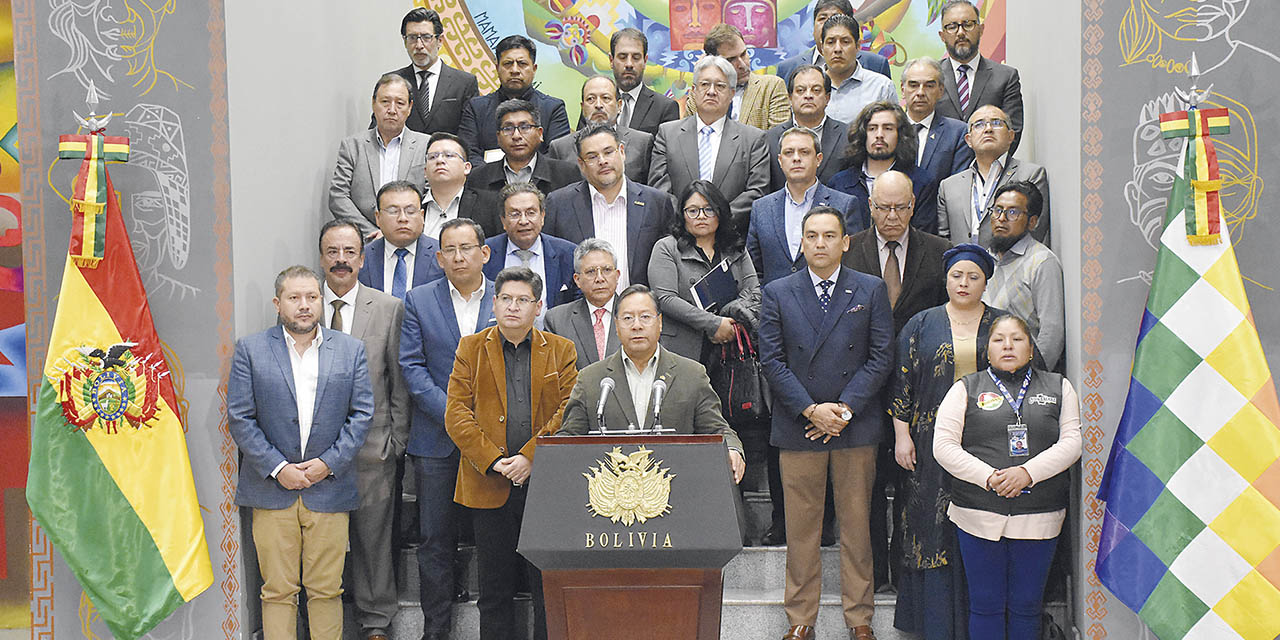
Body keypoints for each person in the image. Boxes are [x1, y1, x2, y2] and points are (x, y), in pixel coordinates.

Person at [759, 207, 894, 640]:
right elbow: (772, 361)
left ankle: (860, 619)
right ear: (801, 241)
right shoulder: (778, 291)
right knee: (802, 531)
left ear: (845, 242)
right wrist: (811, 410)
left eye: (829, 235)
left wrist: (844, 409)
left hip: (854, 426)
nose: (820, 243)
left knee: (857, 528)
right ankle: (800, 619)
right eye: (812, 235)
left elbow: (880, 357)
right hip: (800, 426)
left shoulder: (870, 289)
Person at [227, 265, 373, 640]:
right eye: (294, 298)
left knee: (327, 590)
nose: (304, 306)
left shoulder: (351, 350)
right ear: (278, 304)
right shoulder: (251, 349)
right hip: (272, 490)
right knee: (277, 591)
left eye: (312, 297)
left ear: (322, 302)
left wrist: (327, 464)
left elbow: (362, 415)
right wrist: (278, 468)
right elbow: (241, 418)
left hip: (329, 489)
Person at [444, 267, 578, 640]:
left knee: (546, 591)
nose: (513, 307)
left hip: (544, 486)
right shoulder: (470, 348)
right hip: (488, 483)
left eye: (523, 300)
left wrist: (530, 456)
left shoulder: (562, 350)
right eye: (506, 299)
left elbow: (569, 411)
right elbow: (456, 414)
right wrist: (493, 460)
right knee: (494, 591)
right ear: (494, 303)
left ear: (538, 307)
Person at [934, 314, 1081, 640]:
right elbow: (943, 446)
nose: (1008, 345)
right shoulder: (965, 389)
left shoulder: (1059, 387)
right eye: (999, 339)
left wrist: (1027, 473)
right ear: (987, 350)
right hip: (977, 513)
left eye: (1017, 339)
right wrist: (990, 477)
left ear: (1031, 349)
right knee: (985, 605)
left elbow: (1072, 443)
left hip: (1040, 514)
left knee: (1027, 605)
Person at [842, 171, 951, 591]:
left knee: (913, 484)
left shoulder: (938, 252)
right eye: (883, 207)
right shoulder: (849, 251)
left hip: (921, 391)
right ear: (869, 206)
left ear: (913, 205)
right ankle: (873, 575)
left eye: (900, 207)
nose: (892, 216)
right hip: (861, 388)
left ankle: (908, 574)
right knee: (865, 489)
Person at [888, 243, 1003, 640]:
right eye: (957, 276)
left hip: (988, 444)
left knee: (981, 522)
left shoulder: (1002, 326)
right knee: (928, 525)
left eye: (973, 277)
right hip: (928, 440)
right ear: (946, 279)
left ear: (986, 282)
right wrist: (902, 435)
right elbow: (901, 380)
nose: (964, 283)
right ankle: (932, 622)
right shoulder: (922, 323)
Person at [399, 218, 497, 640]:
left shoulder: (506, 296)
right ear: (438, 258)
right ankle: (435, 630)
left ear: (484, 252)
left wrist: (479, 426)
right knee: (434, 539)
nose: (458, 257)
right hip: (436, 440)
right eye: (450, 250)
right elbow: (412, 366)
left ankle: (497, 626)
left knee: (494, 538)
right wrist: (455, 417)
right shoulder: (418, 300)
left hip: (494, 440)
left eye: (466, 248)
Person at [316, 221, 408, 640]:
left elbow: (398, 380)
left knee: (373, 542)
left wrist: (396, 441)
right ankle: (321, 622)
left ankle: (375, 623)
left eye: (350, 251)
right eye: (333, 251)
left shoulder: (387, 307)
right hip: (314, 453)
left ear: (363, 257)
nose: (341, 259)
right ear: (322, 256)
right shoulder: (304, 304)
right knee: (322, 544)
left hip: (374, 448)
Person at [558, 284, 747, 477]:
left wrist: (732, 449)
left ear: (660, 322)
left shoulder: (691, 374)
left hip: (677, 489)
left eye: (645, 317)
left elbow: (718, 429)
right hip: (611, 496)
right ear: (616, 325)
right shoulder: (592, 379)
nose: (637, 325)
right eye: (628, 318)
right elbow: (568, 438)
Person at [650, 55, 770, 236]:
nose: (711, 91)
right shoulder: (667, 134)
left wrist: (716, 218)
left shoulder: (753, 139)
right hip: (679, 240)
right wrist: (689, 219)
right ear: (693, 91)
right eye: (705, 85)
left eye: (720, 86)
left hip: (730, 241)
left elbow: (757, 192)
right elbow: (659, 188)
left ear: (731, 93)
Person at [544, 123, 673, 287]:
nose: (602, 161)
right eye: (592, 157)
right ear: (581, 165)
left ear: (622, 152)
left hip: (640, 308)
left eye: (608, 152)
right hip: (580, 308)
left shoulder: (656, 202)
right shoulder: (559, 203)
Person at [648, 180, 761, 364]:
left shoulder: (735, 247)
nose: (701, 216)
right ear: (682, 215)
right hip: (683, 349)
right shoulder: (667, 248)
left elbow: (754, 292)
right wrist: (714, 324)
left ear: (720, 212)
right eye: (692, 211)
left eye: (708, 209)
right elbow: (666, 298)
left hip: (732, 347)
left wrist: (730, 323)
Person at [329, 74, 430, 240]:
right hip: (365, 240)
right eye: (385, 102)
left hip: (412, 238)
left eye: (400, 103)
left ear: (410, 107)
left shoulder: (426, 145)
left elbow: (431, 195)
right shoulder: (353, 146)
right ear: (373, 104)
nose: (391, 110)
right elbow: (338, 196)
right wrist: (370, 232)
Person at [937, 105, 1050, 248]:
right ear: (968, 140)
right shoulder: (948, 186)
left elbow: (1035, 231)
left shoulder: (1031, 175)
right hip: (965, 267)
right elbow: (944, 240)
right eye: (979, 125)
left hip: (1013, 267)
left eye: (997, 123)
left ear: (1011, 136)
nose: (988, 129)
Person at [982, 182, 1066, 370]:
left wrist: (1034, 380)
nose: (1001, 219)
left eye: (1013, 213)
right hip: (987, 377)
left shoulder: (1041, 262)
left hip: (1024, 377)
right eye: (997, 210)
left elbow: (1051, 333)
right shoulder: (986, 259)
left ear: (1032, 222)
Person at [458, 35, 571, 164]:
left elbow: (556, 157)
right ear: (497, 68)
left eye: (522, 64)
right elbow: (468, 152)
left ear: (534, 69)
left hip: (539, 182)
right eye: (508, 64)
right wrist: (495, 178)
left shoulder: (553, 109)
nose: (515, 70)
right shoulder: (476, 108)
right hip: (487, 182)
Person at [830, 101, 940, 233]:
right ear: (863, 134)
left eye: (888, 128)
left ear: (900, 135)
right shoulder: (840, 183)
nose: (879, 135)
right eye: (872, 128)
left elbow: (923, 238)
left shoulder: (921, 182)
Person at [933, 0, 1025, 154]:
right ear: (942, 35)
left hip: (990, 171)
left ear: (981, 29)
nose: (961, 32)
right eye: (952, 27)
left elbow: (1012, 133)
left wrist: (985, 168)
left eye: (968, 24)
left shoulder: (1006, 77)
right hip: (940, 174)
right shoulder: (931, 77)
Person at [482, 183, 580, 326]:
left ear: (542, 216)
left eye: (531, 212)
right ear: (503, 220)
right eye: (515, 214)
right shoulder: (485, 254)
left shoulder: (568, 254)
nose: (523, 221)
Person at [901, 57, 973, 235]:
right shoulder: (887, 129)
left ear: (941, 90)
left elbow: (956, 190)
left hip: (937, 230)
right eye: (913, 85)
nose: (920, 92)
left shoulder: (957, 132)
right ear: (902, 89)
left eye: (929, 85)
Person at [382, 8, 479, 135]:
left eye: (426, 37)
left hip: (448, 153)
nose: (419, 45)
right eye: (412, 38)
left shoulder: (465, 83)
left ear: (440, 41)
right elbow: (379, 129)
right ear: (404, 41)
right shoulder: (392, 81)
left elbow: (470, 135)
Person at [549, 75, 654, 185]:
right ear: (582, 107)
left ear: (619, 106)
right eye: (591, 99)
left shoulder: (642, 142)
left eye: (606, 98)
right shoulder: (560, 148)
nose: (598, 105)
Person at [465, 99, 580, 197]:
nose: (516, 136)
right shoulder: (478, 178)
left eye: (524, 127)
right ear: (498, 137)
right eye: (508, 128)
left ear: (540, 133)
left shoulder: (567, 174)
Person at [765, 65, 850, 192]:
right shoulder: (770, 139)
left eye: (816, 90)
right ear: (790, 98)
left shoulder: (848, 136)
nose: (808, 96)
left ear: (827, 98)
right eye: (800, 90)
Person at [688, 24, 789, 130]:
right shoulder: (704, 94)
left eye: (744, 54)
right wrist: (701, 76)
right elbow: (689, 134)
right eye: (731, 60)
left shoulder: (771, 87)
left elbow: (778, 139)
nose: (742, 65)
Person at [544, 238, 623, 370]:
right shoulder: (557, 320)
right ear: (577, 280)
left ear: (617, 275)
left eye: (607, 270)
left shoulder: (637, 315)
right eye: (591, 271)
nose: (600, 279)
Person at [356, 181, 444, 296]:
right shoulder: (361, 258)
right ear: (378, 218)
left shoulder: (443, 255)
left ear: (422, 216)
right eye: (393, 211)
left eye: (410, 211)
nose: (403, 218)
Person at [776, 0, 891, 82]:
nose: (828, 24)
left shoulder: (876, 64)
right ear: (813, 27)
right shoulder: (787, 69)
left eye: (836, 17)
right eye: (822, 18)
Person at [818, 14, 898, 125]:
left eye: (845, 42)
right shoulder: (807, 85)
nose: (837, 49)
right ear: (822, 47)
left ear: (858, 46)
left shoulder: (881, 87)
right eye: (831, 42)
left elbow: (893, 132)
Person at [420, 132, 502, 240]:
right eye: (432, 157)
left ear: (467, 167)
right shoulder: (414, 206)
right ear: (425, 171)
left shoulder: (491, 204)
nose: (439, 160)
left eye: (449, 155)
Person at [600, 27, 680, 137]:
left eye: (636, 57)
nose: (629, 64)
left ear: (645, 61)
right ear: (611, 60)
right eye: (622, 57)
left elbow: (667, 152)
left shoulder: (665, 108)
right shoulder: (596, 103)